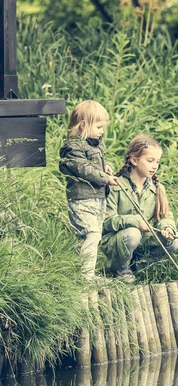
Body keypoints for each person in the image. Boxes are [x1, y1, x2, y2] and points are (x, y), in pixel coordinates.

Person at [100, 134, 178, 283]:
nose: (155, 166)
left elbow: (165, 217)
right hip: (117, 240)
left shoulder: (157, 189)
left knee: (175, 241)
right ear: (134, 160)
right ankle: (120, 268)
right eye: (150, 161)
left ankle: (138, 265)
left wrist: (167, 227)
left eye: (157, 161)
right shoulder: (116, 185)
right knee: (132, 233)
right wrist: (136, 222)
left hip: (143, 240)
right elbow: (106, 221)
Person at [59, 100, 119, 280]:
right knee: (92, 235)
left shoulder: (95, 143)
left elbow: (96, 163)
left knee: (93, 236)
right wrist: (105, 178)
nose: (102, 131)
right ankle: (86, 276)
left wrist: (106, 166)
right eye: (99, 126)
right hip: (82, 199)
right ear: (84, 125)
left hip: (97, 198)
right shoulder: (73, 148)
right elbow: (83, 168)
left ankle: (85, 271)